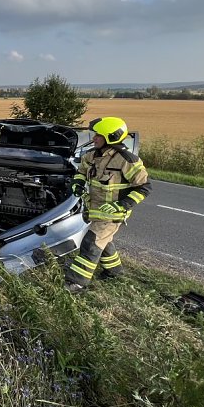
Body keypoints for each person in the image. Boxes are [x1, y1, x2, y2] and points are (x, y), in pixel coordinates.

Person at [65, 117, 151, 291]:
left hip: (113, 214)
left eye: (99, 135)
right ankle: (115, 272)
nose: (94, 138)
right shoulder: (92, 155)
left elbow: (144, 187)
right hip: (95, 210)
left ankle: (76, 283)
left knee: (91, 242)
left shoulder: (127, 160)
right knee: (104, 241)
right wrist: (78, 183)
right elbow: (81, 171)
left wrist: (123, 205)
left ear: (111, 137)